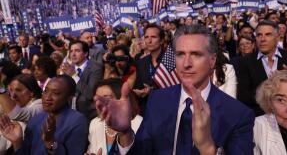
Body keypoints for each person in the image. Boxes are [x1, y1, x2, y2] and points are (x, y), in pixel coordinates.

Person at [95, 24, 255, 154]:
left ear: (212, 60)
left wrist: (207, 148)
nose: (186, 63)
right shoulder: (158, 100)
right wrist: (125, 133)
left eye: (196, 54)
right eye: (180, 54)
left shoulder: (238, 114)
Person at [0, 75, 88, 154]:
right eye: (46, 91)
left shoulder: (78, 121)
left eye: (56, 93)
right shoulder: (36, 119)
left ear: (69, 98)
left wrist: (50, 142)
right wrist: (17, 142)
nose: (47, 97)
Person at [237, 20, 287, 116]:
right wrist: (269, 84)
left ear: (277, 37)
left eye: (268, 34)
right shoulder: (244, 62)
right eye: (259, 35)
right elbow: (243, 98)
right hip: (260, 118)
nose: (262, 39)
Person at [87, 78, 142, 155]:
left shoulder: (139, 123)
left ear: (121, 99)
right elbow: (92, 150)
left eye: (106, 98)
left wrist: (125, 132)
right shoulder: (95, 123)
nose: (99, 103)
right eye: (97, 100)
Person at [61, 40, 103, 120]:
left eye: (77, 51)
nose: (73, 54)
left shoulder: (96, 68)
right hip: (70, 113)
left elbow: (90, 94)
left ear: (86, 53)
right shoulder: (68, 68)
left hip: (89, 115)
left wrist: (73, 75)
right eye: (71, 51)